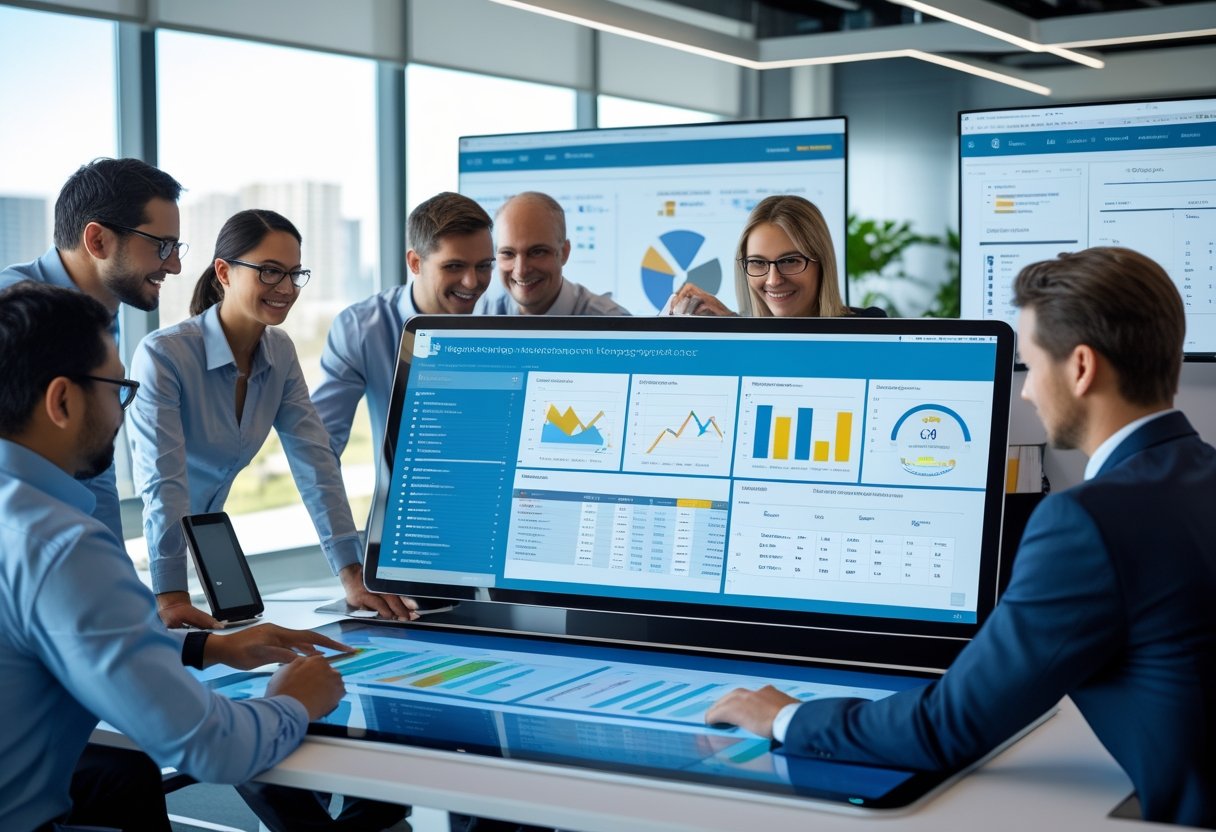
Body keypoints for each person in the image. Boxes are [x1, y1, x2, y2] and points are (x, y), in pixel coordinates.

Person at [706, 247, 1216, 828]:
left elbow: (947, 725)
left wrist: (786, 718)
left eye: (1030, 365)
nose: (1024, 392)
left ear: (1080, 368)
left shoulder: (1087, 522)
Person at [0, 281, 348, 832]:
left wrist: (208, 647)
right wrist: (293, 701)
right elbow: (213, 748)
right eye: (118, 387)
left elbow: (67, 639)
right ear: (62, 400)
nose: (122, 408)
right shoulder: (62, 544)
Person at [126, 209, 419, 631]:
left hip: (196, 552)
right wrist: (170, 593)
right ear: (223, 273)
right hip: (139, 560)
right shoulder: (163, 356)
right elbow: (163, 483)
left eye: (294, 274)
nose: (285, 288)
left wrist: (353, 573)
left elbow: (316, 462)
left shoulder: (279, 352)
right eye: (268, 272)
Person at [0, 157, 186, 545]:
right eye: (162, 246)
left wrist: (116, 579)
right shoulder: (13, 313)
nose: (175, 265)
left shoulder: (101, 315)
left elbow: (94, 467)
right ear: (98, 241)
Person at [314, 191, 495, 461]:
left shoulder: (506, 320)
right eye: (454, 266)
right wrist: (335, 505)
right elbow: (318, 447)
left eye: (483, 266)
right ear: (414, 262)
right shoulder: (362, 329)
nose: (472, 282)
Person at [664, 194, 882, 318]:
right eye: (758, 262)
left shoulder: (870, 328)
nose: (773, 280)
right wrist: (730, 326)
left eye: (789, 261)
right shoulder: (745, 332)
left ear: (821, 263)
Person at [476, 191, 629, 317]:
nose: (521, 271)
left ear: (564, 252)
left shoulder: (612, 324)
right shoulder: (483, 312)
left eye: (537, 252)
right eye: (508, 253)